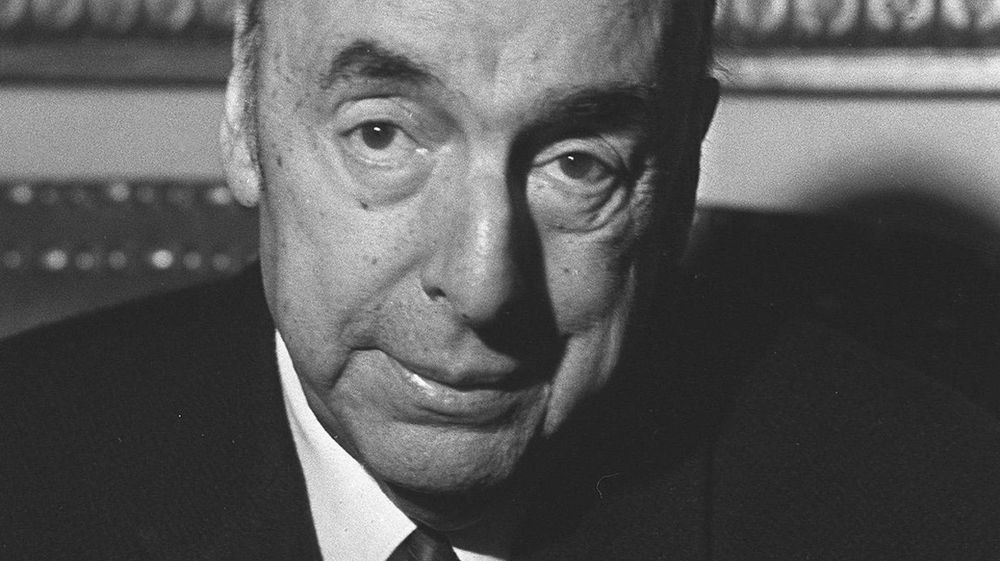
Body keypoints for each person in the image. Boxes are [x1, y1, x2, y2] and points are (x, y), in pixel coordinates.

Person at [2, 0, 999, 559]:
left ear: (685, 161)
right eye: (382, 134)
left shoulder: (925, 510)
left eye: (578, 162)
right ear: (243, 109)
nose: (483, 285)